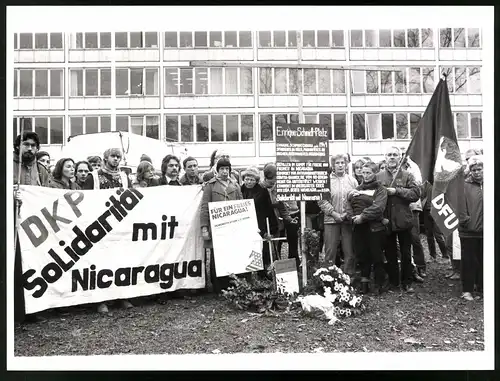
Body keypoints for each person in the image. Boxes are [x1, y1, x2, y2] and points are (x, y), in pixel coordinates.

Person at [82, 148, 133, 314]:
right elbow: (86, 200)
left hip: (120, 226)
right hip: (99, 225)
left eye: (119, 157)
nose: (116, 159)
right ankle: (100, 300)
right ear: (105, 158)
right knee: (100, 263)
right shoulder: (94, 176)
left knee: (120, 261)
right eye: (113, 156)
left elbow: (132, 197)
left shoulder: (125, 177)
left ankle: (121, 296)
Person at [13, 131, 50, 323]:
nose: (29, 148)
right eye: (26, 144)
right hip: (11, 223)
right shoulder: (8, 164)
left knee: (34, 264)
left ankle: (33, 309)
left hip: (34, 225)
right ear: (18, 146)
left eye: (33, 145)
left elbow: (48, 193)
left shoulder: (41, 169)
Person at [377, 147, 421, 293]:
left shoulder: (407, 175)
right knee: (390, 253)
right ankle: (393, 281)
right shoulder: (379, 176)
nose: (392, 157)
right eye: (389, 155)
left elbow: (415, 193)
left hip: (403, 219)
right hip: (386, 220)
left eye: (395, 155)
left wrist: (397, 191)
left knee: (406, 252)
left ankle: (407, 281)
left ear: (400, 157)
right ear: (385, 157)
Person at [200, 158, 243, 293]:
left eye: (227, 169)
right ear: (217, 171)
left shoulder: (235, 186)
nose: (225, 172)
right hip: (216, 227)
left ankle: (231, 283)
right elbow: (204, 207)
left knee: (231, 254)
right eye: (222, 169)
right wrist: (204, 227)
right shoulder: (210, 186)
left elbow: (242, 205)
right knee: (216, 256)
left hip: (233, 226)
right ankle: (217, 285)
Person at [348, 162, 389, 294]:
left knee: (376, 255)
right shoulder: (358, 189)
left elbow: (378, 207)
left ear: (375, 173)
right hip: (359, 228)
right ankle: (364, 283)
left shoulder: (380, 189)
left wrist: (363, 216)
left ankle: (379, 283)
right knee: (362, 254)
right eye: (363, 172)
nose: (365, 175)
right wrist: (353, 217)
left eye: (368, 173)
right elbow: (350, 206)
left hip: (375, 228)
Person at [318, 154, 358, 277]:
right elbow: (321, 200)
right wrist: (334, 214)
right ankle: (328, 278)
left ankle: (348, 277)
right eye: (337, 163)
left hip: (347, 220)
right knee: (330, 250)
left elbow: (356, 200)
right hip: (331, 220)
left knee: (349, 251)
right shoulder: (327, 181)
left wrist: (347, 214)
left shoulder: (352, 181)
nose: (340, 165)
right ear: (333, 165)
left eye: (342, 163)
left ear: (346, 165)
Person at [261, 163, 300, 270]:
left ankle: (294, 264)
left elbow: (289, 203)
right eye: (271, 179)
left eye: (274, 178)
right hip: (273, 218)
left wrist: (288, 209)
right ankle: (272, 266)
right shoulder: (262, 187)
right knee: (274, 242)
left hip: (289, 213)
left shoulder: (284, 183)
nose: (274, 181)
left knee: (292, 240)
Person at [240, 166, 278, 275]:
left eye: (252, 179)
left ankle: (262, 274)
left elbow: (269, 209)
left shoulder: (262, 191)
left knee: (261, 249)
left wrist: (271, 228)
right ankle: (247, 273)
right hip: (246, 224)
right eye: (247, 179)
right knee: (247, 248)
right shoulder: (241, 189)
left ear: (256, 180)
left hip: (260, 224)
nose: (249, 182)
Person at [458, 155, 483, 301]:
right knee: (468, 261)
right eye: (474, 170)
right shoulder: (465, 186)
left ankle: (481, 287)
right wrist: (465, 220)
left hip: (485, 232)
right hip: (468, 231)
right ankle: (467, 290)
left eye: (479, 169)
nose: (477, 172)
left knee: (482, 260)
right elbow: (459, 205)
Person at [405, 159, 426, 280]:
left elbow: (418, 188)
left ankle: (420, 265)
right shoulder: (392, 171)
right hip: (397, 209)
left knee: (415, 238)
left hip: (412, 208)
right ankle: (409, 267)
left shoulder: (414, 170)